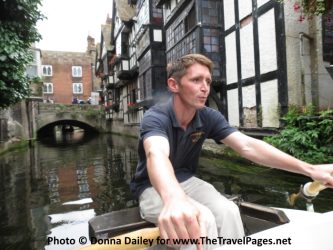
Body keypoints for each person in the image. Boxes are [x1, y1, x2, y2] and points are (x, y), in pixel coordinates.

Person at [130, 54, 333, 250]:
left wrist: (310, 169)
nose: (205, 88)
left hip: (186, 179)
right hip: (151, 187)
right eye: (196, 80)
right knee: (201, 219)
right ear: (174, 85)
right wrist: (174, 199)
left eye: (208, 81)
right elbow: (156, 154)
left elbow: (247, 145)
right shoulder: (156, 117)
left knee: (229, 211)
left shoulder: (208, 116)